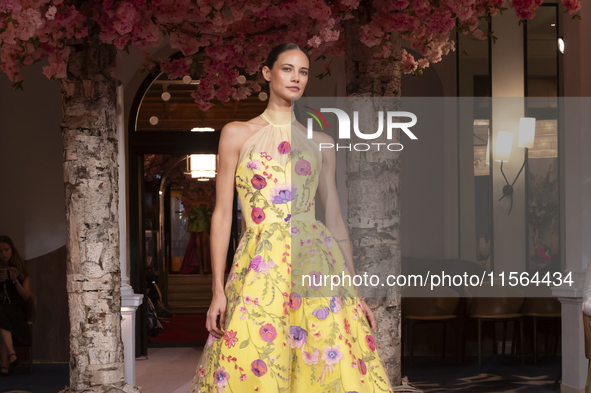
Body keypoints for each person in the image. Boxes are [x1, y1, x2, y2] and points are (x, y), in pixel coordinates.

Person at [189, 43, 394, 393]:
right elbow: (222, 214)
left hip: (317, 262)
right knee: (255, 357)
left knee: (323, 357)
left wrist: (354, 290)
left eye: (303, 72)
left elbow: (334, 218)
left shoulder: (322, 143)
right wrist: (217, 290)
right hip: (260, 265)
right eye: (287, 69)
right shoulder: (236, 133)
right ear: (267, 73)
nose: (296, 78)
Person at [0, 235, 31, 377]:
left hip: (17, 311)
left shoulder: (20, 269)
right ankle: (11, 356)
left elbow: (26, 296)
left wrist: (14, 281)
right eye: (0, 251)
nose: (3, 253)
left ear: (12, 250)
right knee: (1, 315)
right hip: (2, 310)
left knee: (1, 316)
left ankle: (6, 363)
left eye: (6, 250)